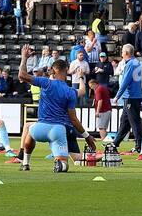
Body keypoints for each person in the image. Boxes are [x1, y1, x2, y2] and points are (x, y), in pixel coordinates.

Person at [16, 44, 91, 173]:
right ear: (67, 70)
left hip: (41, 128)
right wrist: (86, 136)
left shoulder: (46, 83)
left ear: (52, 70)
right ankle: (60, 164)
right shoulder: (70, 91)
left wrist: (24, 58)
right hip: (58, 130)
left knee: (29, 130)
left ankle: (25, 162)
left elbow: (22, 75)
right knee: (64, 165)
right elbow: (73, 118)